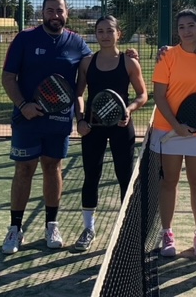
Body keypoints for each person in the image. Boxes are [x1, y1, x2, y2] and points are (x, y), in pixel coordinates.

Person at [0, 0, 92, 254]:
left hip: (59, 122)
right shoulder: (25, 39)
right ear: (43, 13)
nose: (55, 15)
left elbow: (94, 67)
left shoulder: (77, 42)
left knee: (53, 168)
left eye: (59, 11)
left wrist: (127, 57)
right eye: (50, 10)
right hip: (27, 120)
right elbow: (8, 77)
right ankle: (15, 229)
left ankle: (52, 224)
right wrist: (23, 105)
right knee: (24, 170)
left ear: (67, 14)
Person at [72, 15, 148, 251]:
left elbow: (143, 95)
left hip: (121, 126)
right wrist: (81, 120)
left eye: (109, 31)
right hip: (93, 127)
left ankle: (128, 229)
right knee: (91, 175)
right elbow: (78, 94)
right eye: (100, 31)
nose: (105, 35)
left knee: (125, 175)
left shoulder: (129, 62)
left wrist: (129, 109)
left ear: (119, 34)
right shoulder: (87, 62)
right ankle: (88, 229)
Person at [151, 9, 196, 259]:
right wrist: (176, 125)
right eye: (181, 27)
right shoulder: (167, 55)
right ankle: (167, 233)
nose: (186, 30)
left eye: (191, 25)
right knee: (169, 181)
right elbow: (159, 95)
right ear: (177, 31)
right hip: (168, 129)